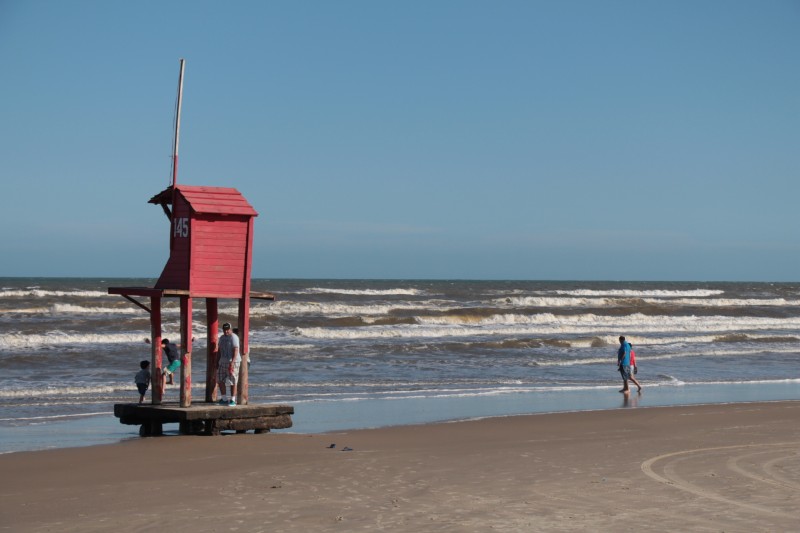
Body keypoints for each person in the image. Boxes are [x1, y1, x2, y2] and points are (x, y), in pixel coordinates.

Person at [216, 322, 241, 406]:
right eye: (224, 330)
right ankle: (224, 398)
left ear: (230, 329)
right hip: (222, 361)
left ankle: (233, 399)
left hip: (232, 361)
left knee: (233, 380)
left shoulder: (234, 337)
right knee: (219, 379)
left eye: (227, 330)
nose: (226, 331)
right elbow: (219, 350)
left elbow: (236, 350)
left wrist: (232, 362)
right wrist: (217, 361)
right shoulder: (222, 338)